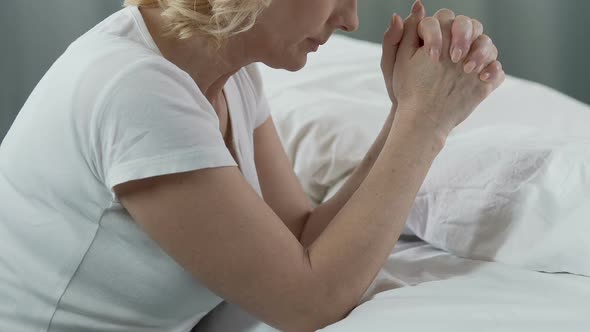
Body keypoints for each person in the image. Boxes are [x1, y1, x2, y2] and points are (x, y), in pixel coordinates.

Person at [0, 0, 504, 331]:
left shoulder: (225, 74)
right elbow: (307, 303)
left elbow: (300, 239)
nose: (350, 19)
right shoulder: (134, 88)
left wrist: (404, 110)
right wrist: (425, 125)